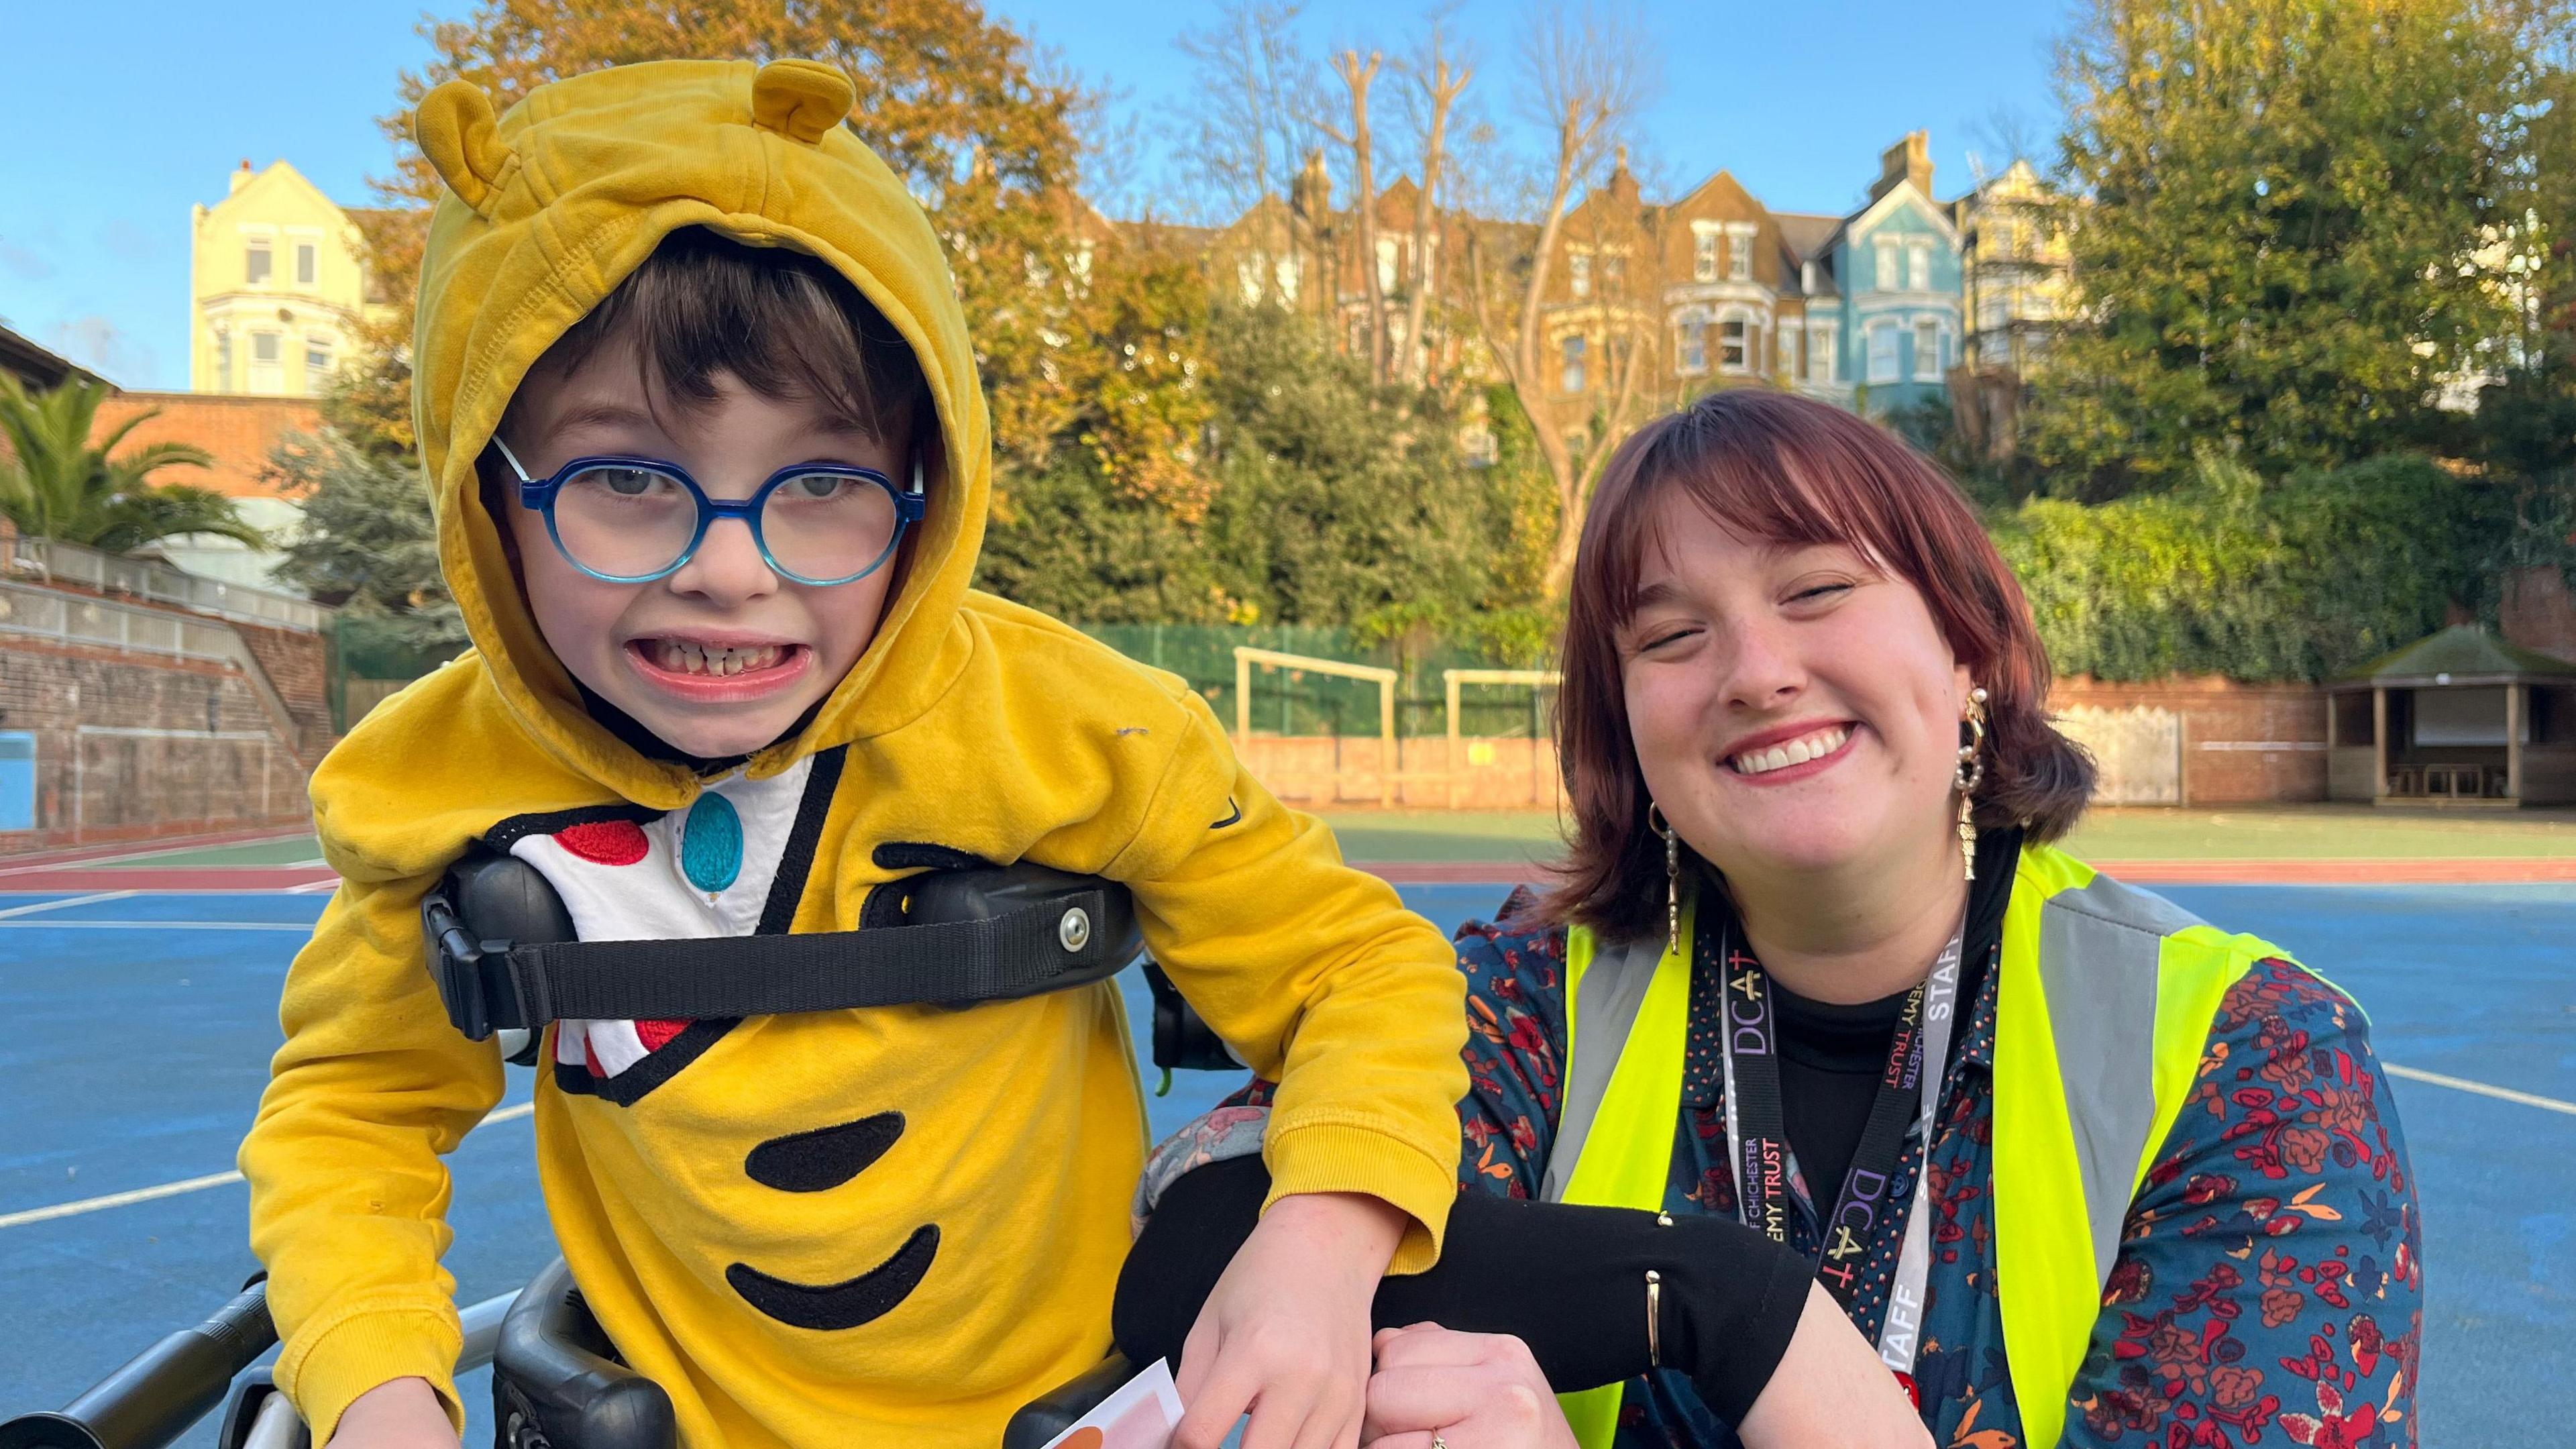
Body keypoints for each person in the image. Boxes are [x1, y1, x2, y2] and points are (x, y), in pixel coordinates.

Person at [237, 59, 1470, 1449]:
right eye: (628, 481)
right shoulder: (434, 788)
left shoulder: (1076, 730)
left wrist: (1320, 1240)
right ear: (485, 492)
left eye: (822, 485)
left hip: (1079, 1412)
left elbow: (1361, 970)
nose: (726, 571)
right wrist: (379, 1394)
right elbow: (352, 1118)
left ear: (924, 490)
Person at [1118, 390, 2421, 1449]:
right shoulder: (1530, 997)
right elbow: (1199, 1245)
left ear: (1965, 647)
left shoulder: (2252, 1055)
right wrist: (1703, 1291)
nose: (1755, 673)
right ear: (1626, 731)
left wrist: (1738, 1327)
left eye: (1814, 593)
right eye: (1673, 637)